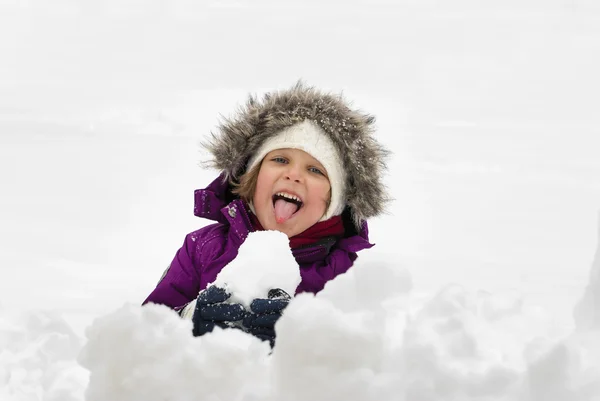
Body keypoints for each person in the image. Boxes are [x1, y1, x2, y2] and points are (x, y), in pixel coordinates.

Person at [142, 82, 390, 345]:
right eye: (280, 160)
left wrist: (301, 338)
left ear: (335, 201)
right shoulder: (203, 249)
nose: (293, 175)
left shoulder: (345, 274)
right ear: (252, 177)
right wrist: (190, 319)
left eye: (315, 170)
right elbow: (140, 336)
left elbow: (363, 362)